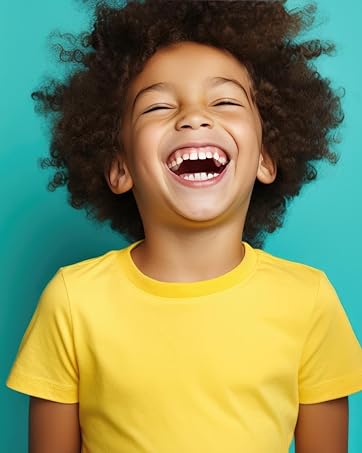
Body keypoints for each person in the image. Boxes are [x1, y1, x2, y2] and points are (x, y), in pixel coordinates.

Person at [6, 0, 362, 452]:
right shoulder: (73, 302)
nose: (194, 117)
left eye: (225, 101)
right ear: (119, 165)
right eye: (157, 107)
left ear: (267, 157)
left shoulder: (310, 300)